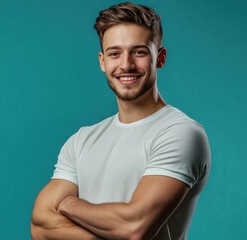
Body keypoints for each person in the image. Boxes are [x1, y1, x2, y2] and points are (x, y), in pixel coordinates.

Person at [30, 2, 211, 240]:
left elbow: (134, 227)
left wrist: (68, 204)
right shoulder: (82, 140)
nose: (126, 65)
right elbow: (41, 226)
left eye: (139, 52)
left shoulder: (180, 133)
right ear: (102, 61)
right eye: (115, 53)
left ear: (160, 58)